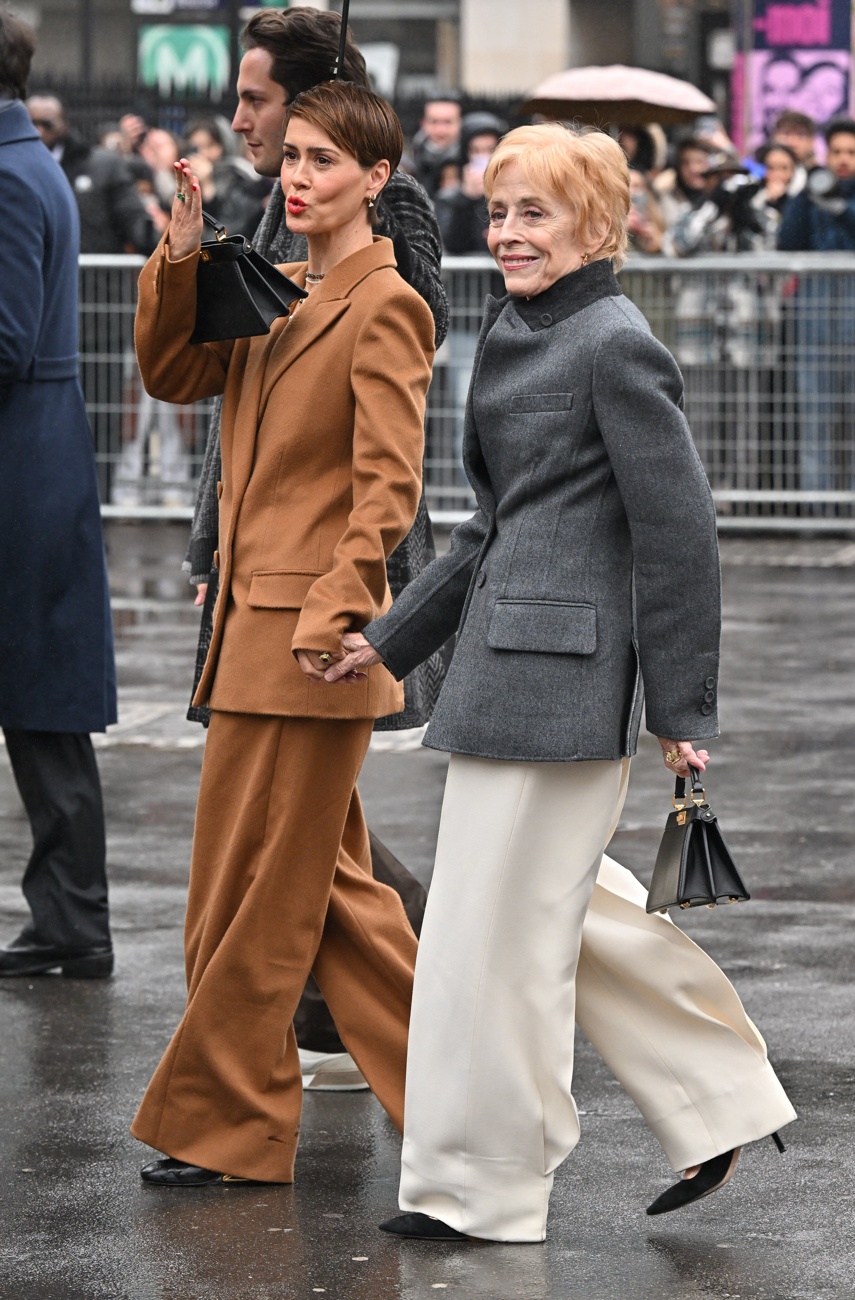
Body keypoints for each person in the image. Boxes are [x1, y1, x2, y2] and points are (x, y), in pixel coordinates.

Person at [327, 124, 795, 1243]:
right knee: (538, 923)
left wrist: (681, 712)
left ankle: (485, 1192)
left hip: (572, 691)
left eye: (534, 212)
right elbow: (492, 527)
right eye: (497, 212)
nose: (507, 233)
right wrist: (387, 642)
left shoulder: (615, 343)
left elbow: (677, 535)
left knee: (498, 948)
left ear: (598, 224)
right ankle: (717, 1101)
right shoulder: (512, 328)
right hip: (498, 675)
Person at [130, 79, 435, 1187]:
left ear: (375, 180)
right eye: (290, 157)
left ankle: (228, 1120)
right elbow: (173, 373)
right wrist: (178, 255)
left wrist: (334, 606)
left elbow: (386, 485)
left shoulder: (385, 303)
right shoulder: (274, 284)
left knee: (256, 898)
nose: (295, 177)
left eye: (320, 161)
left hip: (309, 646)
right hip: (248, 640)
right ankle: (470, 1100)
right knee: (331, 902)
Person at [184, 3, 450, 1093]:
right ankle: (452, 1071)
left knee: (289, 859)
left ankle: (442, 1055)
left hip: (324, 599)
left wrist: (342, 599)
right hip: (259, 585)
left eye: (261, 102)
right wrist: (213, 543)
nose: (241, 120)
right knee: (309, 860)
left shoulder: (383, 223)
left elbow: (393, 372)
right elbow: (226, 403)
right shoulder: (276, 217)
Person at [0, 12, 117, 979]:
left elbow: (1, 340)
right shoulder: (27, 158)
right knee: (43, 706)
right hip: (33, 453)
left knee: (43, 704)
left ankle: (74, 920)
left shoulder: (7, 170)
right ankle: (70, 918)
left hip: (20, 461)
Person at [778, 117, 855, 492]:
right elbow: (786, 242)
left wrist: (840, 209)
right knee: (815, 418)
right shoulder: (812, 189)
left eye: (851, 152)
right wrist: (805, 195)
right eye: (836, 152)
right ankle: (818, 507)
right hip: (813, 321)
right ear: (826, 154)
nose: (843, 159)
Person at [25, 93, 156, 254]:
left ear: (64, 123)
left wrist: (168, 248)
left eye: (47, 124)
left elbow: (133, 220)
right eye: (32, 124)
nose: (39, 130)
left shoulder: (104, 166)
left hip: (95, 275)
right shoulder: (11, 166)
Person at [435, 110, 506, 254]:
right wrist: (466, 198)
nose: (483, 157)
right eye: (475, 150)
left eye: (490, 150)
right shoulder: (449, 198)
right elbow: (453, 244)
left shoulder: (511, 195)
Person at [410, 92, 462, 198]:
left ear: (460, 123)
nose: (440, 130)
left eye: (447, 122)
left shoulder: (471, 162)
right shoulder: (410, 164)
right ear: (423, 123)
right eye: (434, 122)